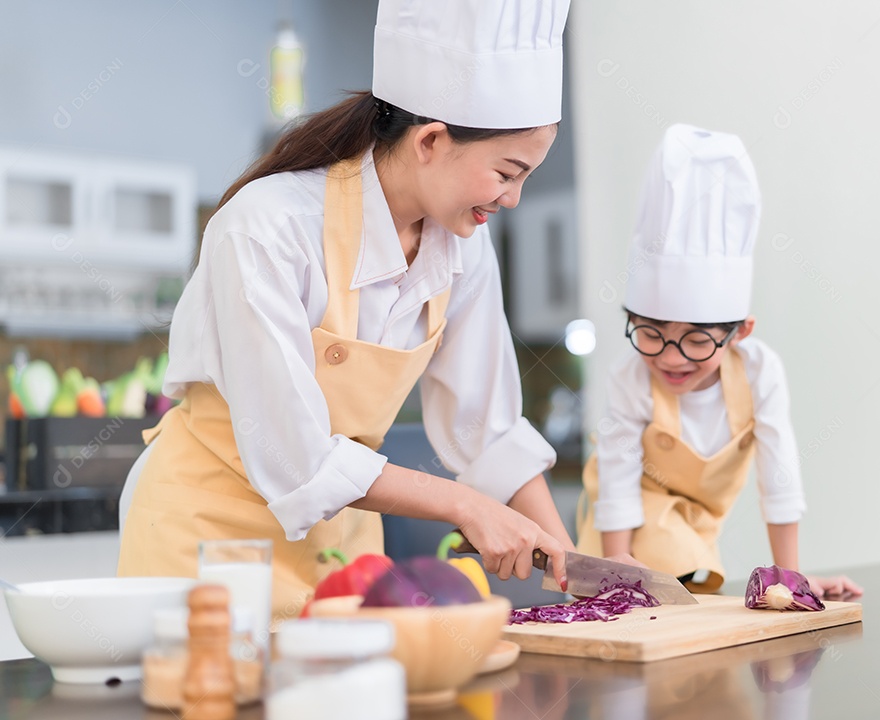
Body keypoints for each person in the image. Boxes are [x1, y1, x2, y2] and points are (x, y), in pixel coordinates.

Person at [118, 0, 576, 621]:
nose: (514, 199)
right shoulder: (268, 228)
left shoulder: (463, 246)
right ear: (432, 141)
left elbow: (486, 430)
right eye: (506, 172)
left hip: (343, 554)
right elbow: (295, 456)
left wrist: (570, 563)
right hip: (205, 544)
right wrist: (468, 507)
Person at [576, 124, 862, 599]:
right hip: (627, 525)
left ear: (739, 333)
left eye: (695, 342)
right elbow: (618, 477)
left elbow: (778, 471)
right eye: (651, 334)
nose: (671, 357)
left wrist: (790, 578)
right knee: (657, 593)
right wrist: (615, 567)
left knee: (689, 606)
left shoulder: (759, 372)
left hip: (696, 531)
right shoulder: (630, 376)